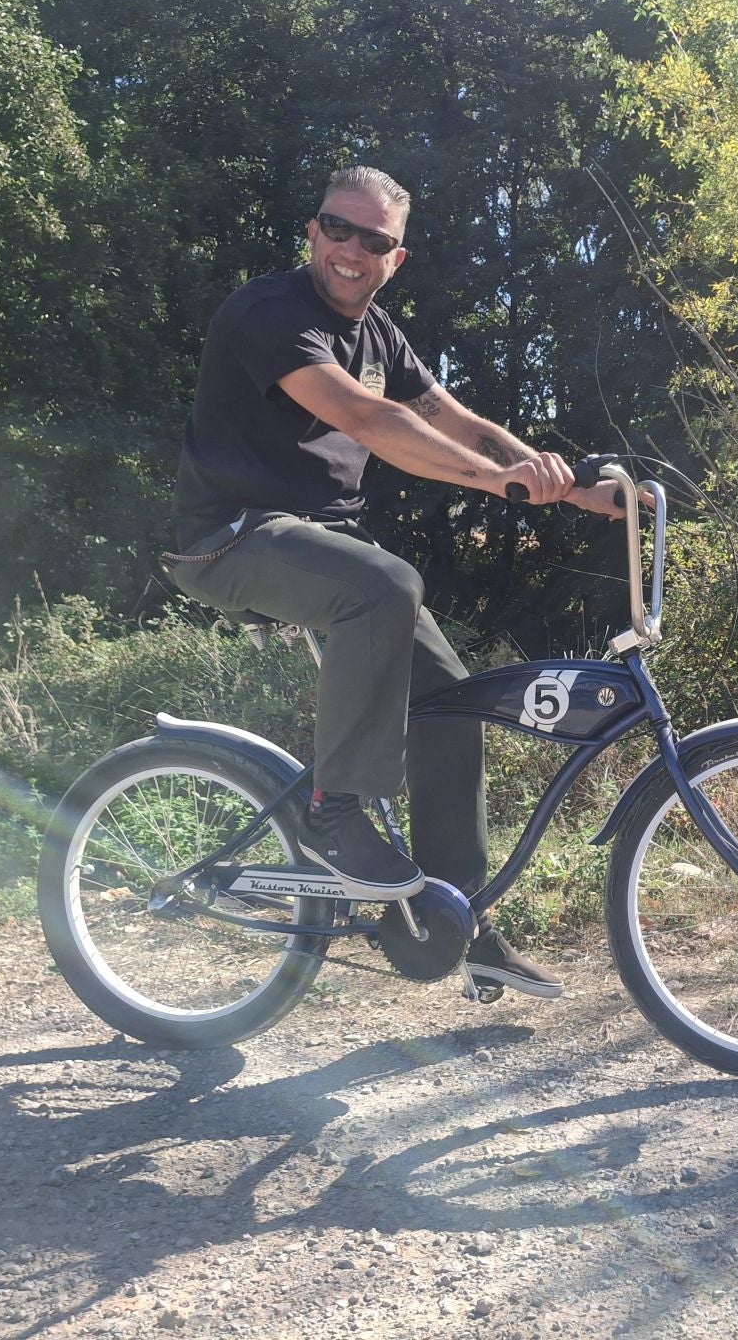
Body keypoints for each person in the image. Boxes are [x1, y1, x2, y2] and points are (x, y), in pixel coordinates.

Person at [163, 165, 620, 999]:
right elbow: (373, 421)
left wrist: (567, 484)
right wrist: (497, 485)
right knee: (384, 584)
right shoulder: (270, 313)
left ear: (394, 258)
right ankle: (335, 814)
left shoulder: (381, 336)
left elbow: (455, 421)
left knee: (454, 700)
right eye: (339, 229)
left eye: (373, 241)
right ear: (313, 231)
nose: (350, 251)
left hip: (319, 540)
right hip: (230, 538)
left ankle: (458, 923)